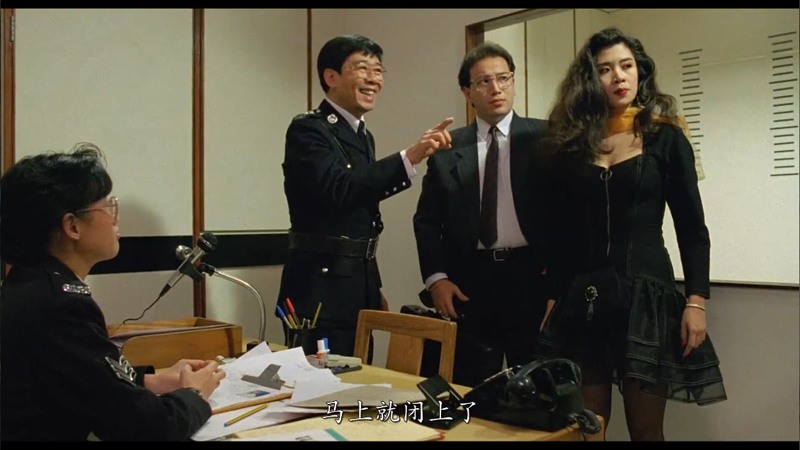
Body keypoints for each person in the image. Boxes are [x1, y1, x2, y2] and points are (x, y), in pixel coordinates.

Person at [535, 27, 727, 440]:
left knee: (645, 429)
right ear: (591, 79)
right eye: (605, 69)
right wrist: (553, 295)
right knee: (587, 428)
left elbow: (692, 227)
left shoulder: (665, 136)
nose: (618, 77)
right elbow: (562, 232)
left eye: (626, 66)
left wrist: (696, 301)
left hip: (646, 299)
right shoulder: (571, 143)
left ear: (640, 71)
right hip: (584, 299)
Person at [0, 143, 227, 441]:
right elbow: (147, 429)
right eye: (107, 206)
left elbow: (82, 379)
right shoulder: (58, 306)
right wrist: (194, 395)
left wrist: (150, 381)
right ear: (73, 226)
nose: (115, 218)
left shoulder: (29, 286)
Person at [278, 34, 453, 358]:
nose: (374, 79)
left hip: (357, 282)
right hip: (320, 287)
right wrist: (410, 157)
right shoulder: (309, 129)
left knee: (360, 374)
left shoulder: (362, 134)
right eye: (362, 68)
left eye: (378, 70)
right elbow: (341, 190)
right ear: (331, 77)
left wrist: (372, 284)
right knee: (322, 381)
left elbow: (362, 217)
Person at [413, 42, 549, 387]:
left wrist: (558, 283)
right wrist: (436, 279)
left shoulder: (546, 138)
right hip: (468, 282)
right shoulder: (448, 148)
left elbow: (567, 213)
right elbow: (427, 221)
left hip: (532, 276)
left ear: (514, 82)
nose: (496, 88)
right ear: (467, 92)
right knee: (469, 388)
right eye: (484, 81)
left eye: (504, 78)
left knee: (536, 391)